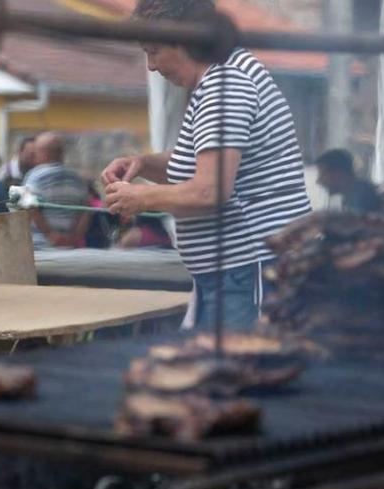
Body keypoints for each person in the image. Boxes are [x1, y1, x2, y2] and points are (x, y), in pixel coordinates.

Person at [101, 0, 312, 331]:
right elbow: (202, 165)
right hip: (235, 273)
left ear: (183, 40)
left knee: (237, 375)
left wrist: (140, 198)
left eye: (153, 51)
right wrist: (142, 163)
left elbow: (210, 190)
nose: (152, 65)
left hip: (250, 270)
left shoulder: (227, 86)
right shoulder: (221, 78)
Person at [22, 132, 91, 248]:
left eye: (36, 153)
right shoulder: (78, 179)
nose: (34, 157)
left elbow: (27, 207)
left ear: (44, 154)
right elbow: (86, 211)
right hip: (68, 248)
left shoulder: (34, 176)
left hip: (40, 248)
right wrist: (74, 237)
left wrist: (50, 234)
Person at [314, 148, 384, 214]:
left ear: (338, 174)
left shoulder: (361, 198)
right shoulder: (356, 191)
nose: (318, 181)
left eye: (322, 175)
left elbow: (359, 225)